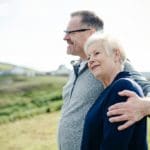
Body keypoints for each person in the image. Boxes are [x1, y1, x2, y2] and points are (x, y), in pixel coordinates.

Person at [58, 10, 150, 150]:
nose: (65, 37)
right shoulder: (77, 69)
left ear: (91, 33)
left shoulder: (113, 63)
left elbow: (143, 88)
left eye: (70, 32)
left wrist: (145, 106)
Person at [81, 32, 147, 150]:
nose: (90, 60)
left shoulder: (122, 87)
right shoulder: (108, 92)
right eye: (89, 57)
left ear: (116, 55)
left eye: (96, 53)